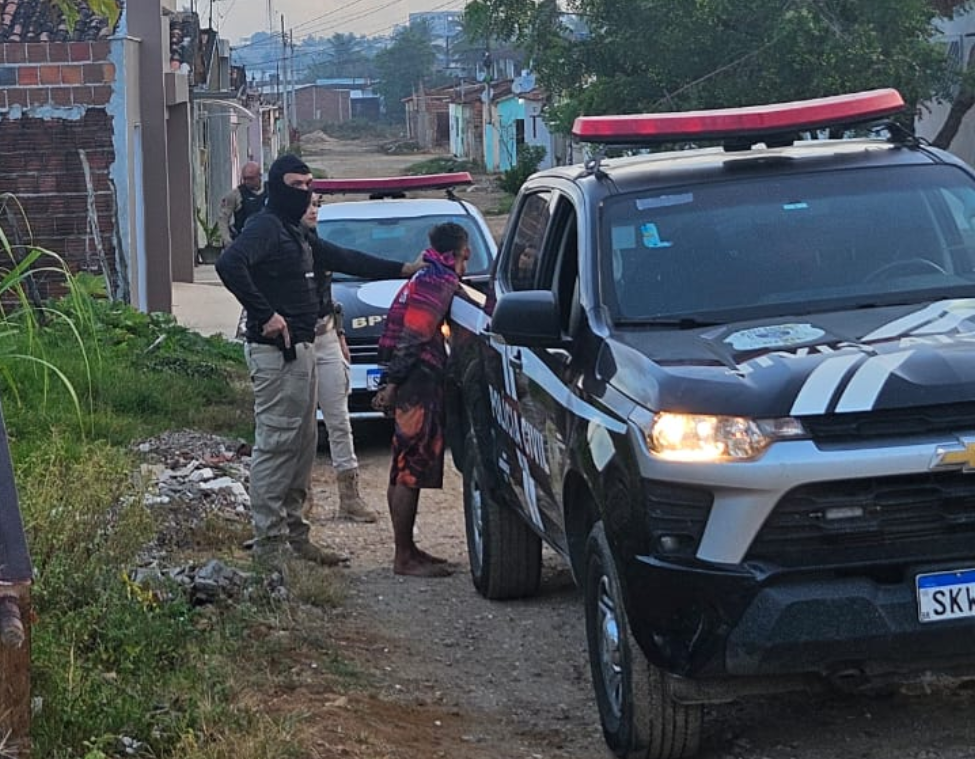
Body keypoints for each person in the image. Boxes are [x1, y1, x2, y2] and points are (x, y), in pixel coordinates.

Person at [215, 154, 424, 568]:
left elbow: (345, 258)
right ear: (277, 186)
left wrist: (404, 268)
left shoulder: (296, 232)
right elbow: (228, 263)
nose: (304, 193)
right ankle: (270, 547)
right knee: (277, 445)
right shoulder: (265, 226)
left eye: (309, 185)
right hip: (276, 354)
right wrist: (266, 314)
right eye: (296, 185)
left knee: (303, 444)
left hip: (305, 349)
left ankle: (296, 537)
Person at [373, 222, 471, 577]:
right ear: (460, 252)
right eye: (466, 256)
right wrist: (394, 383)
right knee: (409, 466)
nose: (466, 263)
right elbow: (415, 335)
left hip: (413, 378)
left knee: (404, 462)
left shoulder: (426, 274)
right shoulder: (437, 280)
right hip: (417, 381)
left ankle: (409, 549)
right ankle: (404, 557)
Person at [300, 198, 379, 523]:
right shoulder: (283, 245)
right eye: (307, 204)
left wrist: (341, 334)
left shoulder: (319, 245)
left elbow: (328, 296)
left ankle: (350, 496)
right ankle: (302, 498)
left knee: (339, 420)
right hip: (298, 343)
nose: (313, 210)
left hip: (327, 337)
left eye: (316, 204)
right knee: (302, 425)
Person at [217, 161, 266, 248]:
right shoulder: (236, 194)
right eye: (245, 178)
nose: (247, 181)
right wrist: (227, 240)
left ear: (259, 176)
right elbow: (223, 218)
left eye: (251, 178)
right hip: (244, 243)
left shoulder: (269, 192)